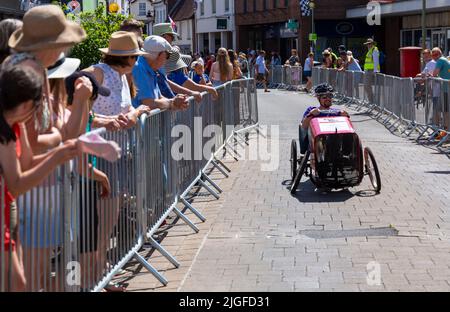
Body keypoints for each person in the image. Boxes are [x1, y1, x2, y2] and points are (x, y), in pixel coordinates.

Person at [0, 62, 80, 292]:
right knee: (18, 283)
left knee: (19, 283)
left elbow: (24, 164)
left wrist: (60, 153)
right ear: (26, 104)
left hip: (6, 216)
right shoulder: (5, 131)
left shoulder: (15, 126)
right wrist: (56, 158)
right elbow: (15, 184)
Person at [7, 4, 87, 155]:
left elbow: (51, 129)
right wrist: (58, 138)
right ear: (51, 46)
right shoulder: (24, 76)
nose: (63, 51)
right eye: (63, 44)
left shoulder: (38, 70)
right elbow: (32, 144)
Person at [83, 31, 150, 128]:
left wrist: (134, 112)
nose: (136, 62)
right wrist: (136, 112)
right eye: (136, 57)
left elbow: (126, 107)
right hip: (95, 140)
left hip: (114, 140)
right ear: (127, 58)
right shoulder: (97, 73)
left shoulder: (122, 75)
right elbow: (77, 110)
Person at [132, 35, 189, 111]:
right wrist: (172, 102)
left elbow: (159, 98)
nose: (167, 59)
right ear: (159, 54)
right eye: (167, 55)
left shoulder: (149, 68)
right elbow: (148, 103)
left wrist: (173, 103)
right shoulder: (139, 68)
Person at [299, 83, 349, 154]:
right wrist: (310, 115)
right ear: (318, 98)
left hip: (335, 138)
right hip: (317, 140)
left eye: (330, 96)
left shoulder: (337, 111)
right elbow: (303, 126)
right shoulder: (311, 110)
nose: (328, 99)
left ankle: (347, 152)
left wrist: (345, 115)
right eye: (324, 97)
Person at [432, 47, 450, 134]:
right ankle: (444, 131)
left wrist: (432, 76)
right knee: (444, 110)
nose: (434, 57)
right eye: (433, 55)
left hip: (446, 89)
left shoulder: (440, 60)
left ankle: (443, 132)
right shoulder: (444, 60)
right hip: (446, 89)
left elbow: (434, 73)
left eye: (435, 55)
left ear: (439, 54)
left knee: (443, 111)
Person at [363, 38, 380, 104]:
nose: (368, 45)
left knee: (367, 86)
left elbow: (376, 61)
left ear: (372, 44)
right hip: (368, 71)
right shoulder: (370, 50)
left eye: (369, 44)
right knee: (367, 86)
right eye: (367, 44)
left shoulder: (374, 50)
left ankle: (372, 102)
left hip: (372, 71)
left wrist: (375, 71)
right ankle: (371, 101)